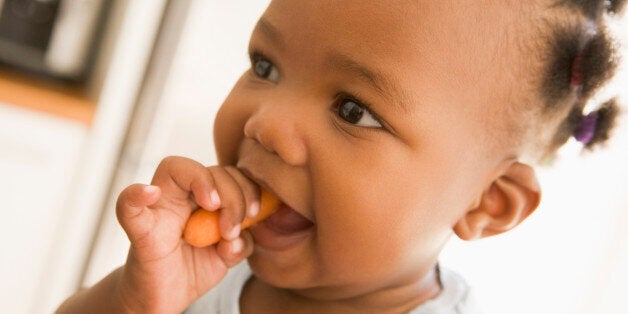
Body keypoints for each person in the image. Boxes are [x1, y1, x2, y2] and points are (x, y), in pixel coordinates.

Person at [56, 0, 626, 313]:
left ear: (489, 203)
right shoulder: (194, 282)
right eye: (265, 66)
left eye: (354, 110)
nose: (266, 123)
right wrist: (136, 300)